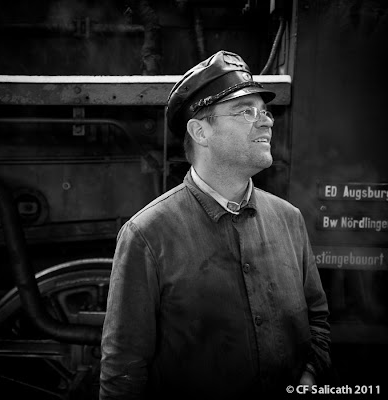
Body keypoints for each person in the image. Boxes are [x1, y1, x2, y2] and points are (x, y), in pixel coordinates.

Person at [100, 50, 331, 400]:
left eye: (265, 111)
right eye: (246, 111)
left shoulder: (289, 220)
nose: (266, 122)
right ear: (200, 131)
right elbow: (123, 373)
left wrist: (309, 376)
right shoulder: (146, 236)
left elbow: (318, 324)